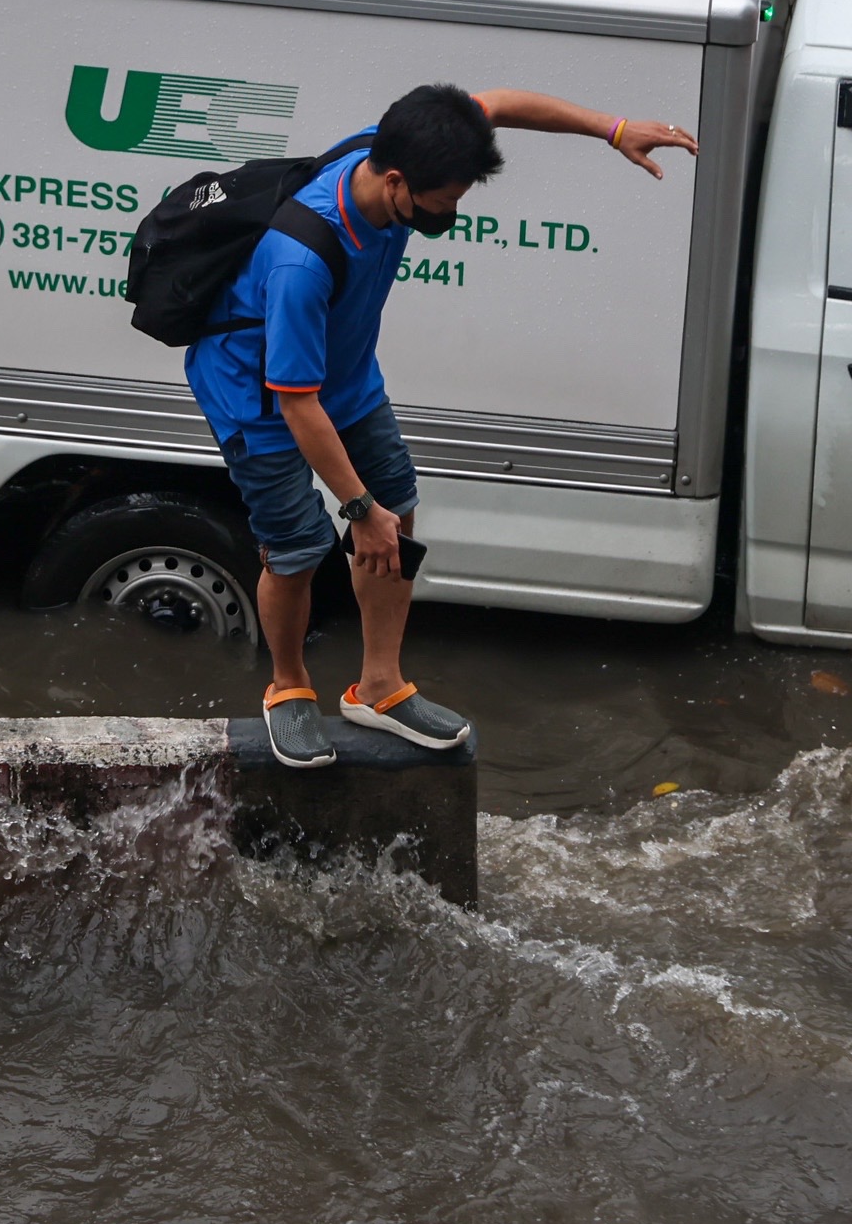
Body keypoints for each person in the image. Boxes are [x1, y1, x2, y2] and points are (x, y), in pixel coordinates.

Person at [183, 82, 699, 768]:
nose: (452, 211)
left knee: (399, 509)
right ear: (396, 182)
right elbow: (296, 403)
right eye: (444, 200)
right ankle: (288, 687)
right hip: (259, 394)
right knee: (299, 545)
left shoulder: (401, 140)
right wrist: (356, 509)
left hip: (344, 374)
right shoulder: (301, 256)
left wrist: (615, 128)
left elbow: (503, 102)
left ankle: (379, 687)